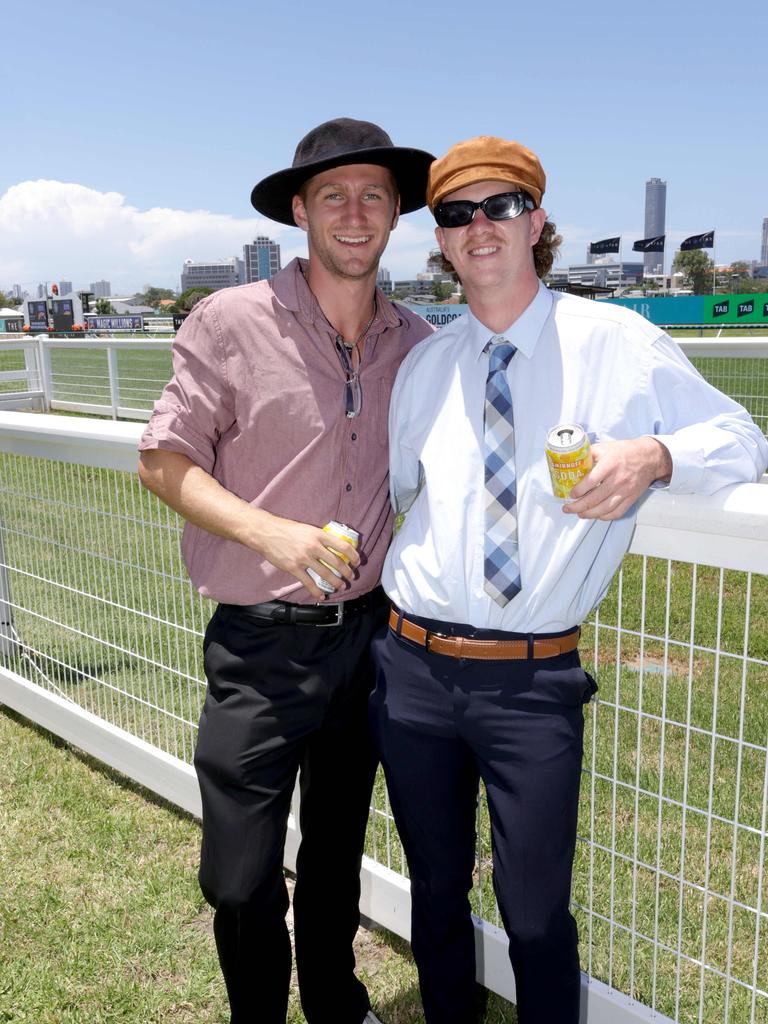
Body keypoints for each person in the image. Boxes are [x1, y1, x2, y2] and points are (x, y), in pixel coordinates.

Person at [370, 135, 768, 1024]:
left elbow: (744, 438)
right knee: (433, 891)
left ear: (538, 221)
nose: (480, 228)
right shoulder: (426, 365)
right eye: (456, 213)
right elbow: (407, 495)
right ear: (439, 237)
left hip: (532, 679)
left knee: (537, 914)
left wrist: (657, 453)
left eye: (501, 206)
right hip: (413, 669)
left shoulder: (619, 343)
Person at [137, 117, 434, 1024]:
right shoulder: (231, 320)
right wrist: (273, 535)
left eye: (373, 195)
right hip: (258, 648)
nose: (355, 212)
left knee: (339, 849)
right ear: (300, 210)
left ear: (394, 215)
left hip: (368, 642)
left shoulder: (418, 342)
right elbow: (162, 460)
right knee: (239, 876)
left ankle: (337, 1004)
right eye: (334, 195)